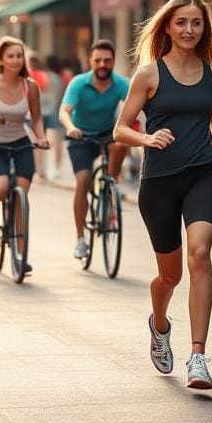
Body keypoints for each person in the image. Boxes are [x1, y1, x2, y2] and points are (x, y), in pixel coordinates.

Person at [114, 0, 212, 390]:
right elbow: (121, 129)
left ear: (204, 28)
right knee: (170, 275)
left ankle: (198, 357)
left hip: (202, 175)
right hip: (159, 183)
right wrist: (146, 139)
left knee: (200, 255)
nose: (189, 29)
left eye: (196, 23)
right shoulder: (149, 75)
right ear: (167, 26)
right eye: (181, 22)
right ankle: (160, 324)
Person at [0, 37, 50, 267]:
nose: (16, 60)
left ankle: (21, 255)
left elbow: (36, 119)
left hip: (20, 143)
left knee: (21, 193)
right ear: (1, 60)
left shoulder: (30, 86)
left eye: (19, 56)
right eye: (11, 56)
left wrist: (41, 137)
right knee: (1, 186)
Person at [58, 40, 129, 260]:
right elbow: (64, 111)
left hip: (107, 134)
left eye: (107, 60)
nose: (102, 64)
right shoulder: (79, 83)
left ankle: (110, 187)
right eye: (98, 60)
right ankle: (81, 240)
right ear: (90, 61)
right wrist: (70, 127)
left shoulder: (122, 83)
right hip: (81, 135)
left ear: (114, 61)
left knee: (121, 143)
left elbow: (138, 107)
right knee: (83, 181)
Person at [42, 55, 67, 177]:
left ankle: (41, 169)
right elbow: (61, 96)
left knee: (41, 141)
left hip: (42, 111)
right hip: (56, 111)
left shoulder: (42, 76)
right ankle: (57, 167)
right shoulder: (58, 79)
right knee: (58, 141)